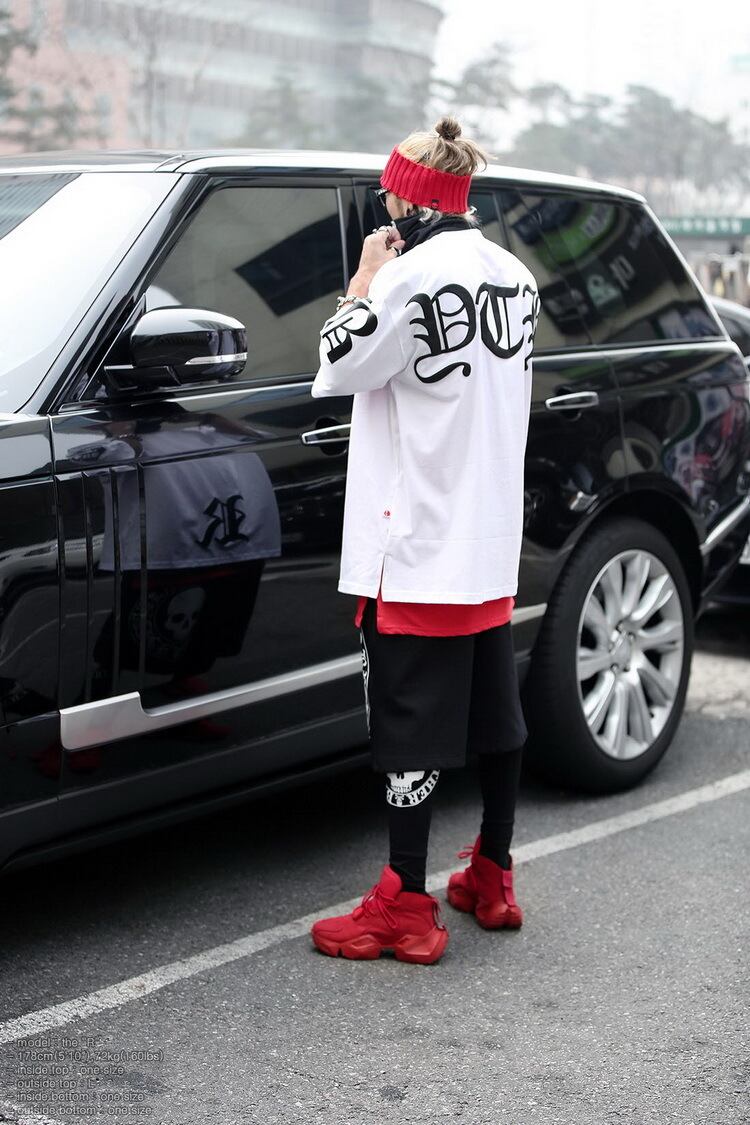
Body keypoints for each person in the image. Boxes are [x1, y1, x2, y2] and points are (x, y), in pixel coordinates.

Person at [309, 116, 540, 965]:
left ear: (408, 198)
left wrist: (364, 279)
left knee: (409, 722)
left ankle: (406, 902)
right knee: (496, 713)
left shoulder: (406, 277)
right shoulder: (515, 275)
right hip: (487, 536)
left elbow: (338, 364)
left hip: (413, 537)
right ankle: (493, 871)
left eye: (388, 194)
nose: (384, 205)